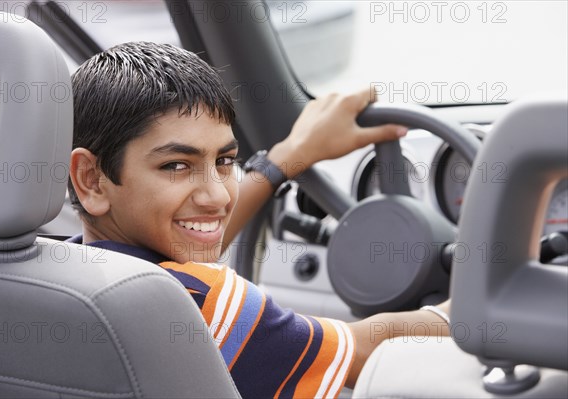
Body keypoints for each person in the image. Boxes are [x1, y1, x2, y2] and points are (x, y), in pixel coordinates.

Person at [68, 41, 450, 398]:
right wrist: (482, 294)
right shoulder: (201, 304)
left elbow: (181, 253)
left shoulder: (53, 269)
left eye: (223, 161)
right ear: (91, 179)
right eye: (176, 166)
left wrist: (288, 157)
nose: (217, 195)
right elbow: (371, 349)